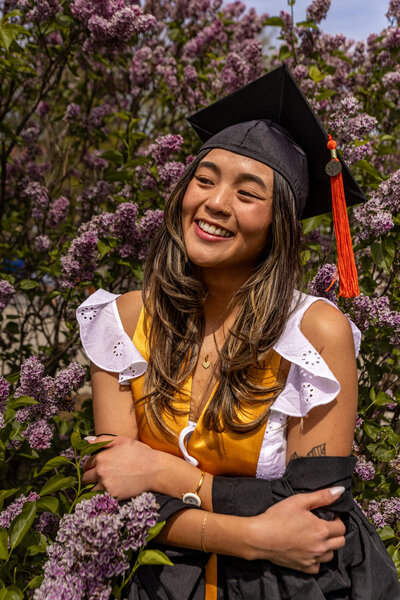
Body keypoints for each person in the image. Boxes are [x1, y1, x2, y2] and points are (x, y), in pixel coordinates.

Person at [78, 65, 400, 599]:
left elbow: (313, 521)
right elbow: (110, 494)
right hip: (156, 580)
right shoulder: (126, 320)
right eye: (204, 180)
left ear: (280, 223)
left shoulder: (315, 333)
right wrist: (252, 535)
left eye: (248, 193)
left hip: (284, 587)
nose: (215, 203)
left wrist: (160, 472)